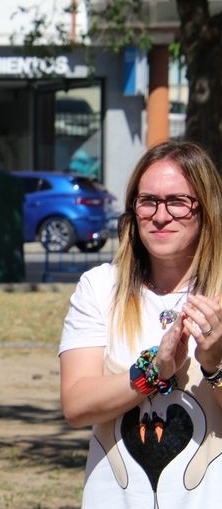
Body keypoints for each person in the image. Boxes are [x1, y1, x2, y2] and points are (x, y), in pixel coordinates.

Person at [59, 140, 222, 508]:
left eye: (178, 201)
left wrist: (214, 365)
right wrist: (154, 370)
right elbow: (76, 404)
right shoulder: (100, 287)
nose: (160, 216)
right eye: (148, 201)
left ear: (205, 208)